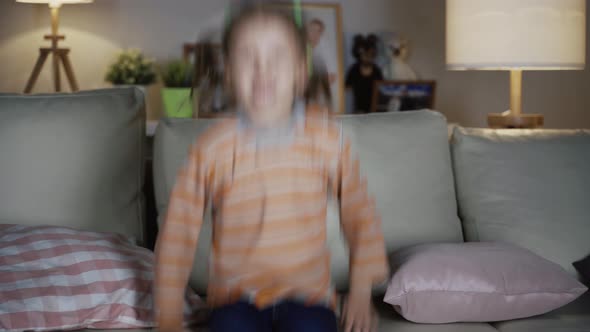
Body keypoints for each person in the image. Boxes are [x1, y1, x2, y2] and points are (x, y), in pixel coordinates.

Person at [154, 4, 388, 332]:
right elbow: (177, 235)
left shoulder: (327, 139)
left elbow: (360, 216)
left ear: (300, 72)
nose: (263, 69)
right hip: (236, 303)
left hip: (309, 301)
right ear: (230, 73)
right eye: (248, 57)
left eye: (277, 56)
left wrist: (361, 292)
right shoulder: (211, 148)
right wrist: (167, 318)